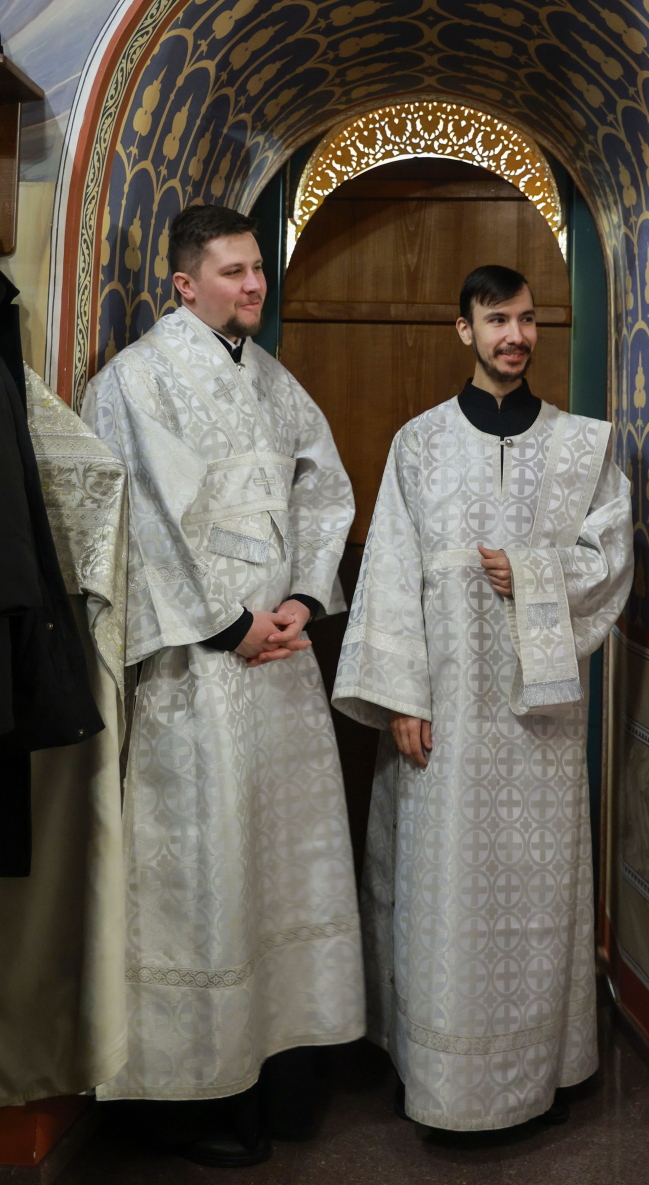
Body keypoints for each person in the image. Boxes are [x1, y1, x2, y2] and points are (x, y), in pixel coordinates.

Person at [82, 204, 365, 1166]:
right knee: (207, 873)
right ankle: (197, 1096)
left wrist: (300, 598)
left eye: (256, 269)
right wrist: (227, 623)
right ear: (184, 282)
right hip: (196, 672)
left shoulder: (275, 381)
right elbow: (142, 518)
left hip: (280, 662)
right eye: (235, 271)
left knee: (280, 866)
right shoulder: (136, 379)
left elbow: (324, 488)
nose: (254, 285)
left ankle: (283, 1070)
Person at [332, 264, 633, 1133]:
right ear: (463, 329)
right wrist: (401, 697)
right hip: (447, 713)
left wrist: (533, 571)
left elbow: (610, 559)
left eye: (527, 320)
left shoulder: (583, 447)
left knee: (539, 896)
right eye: (497, 320)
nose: (515, 336)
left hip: (541, 723)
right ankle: (438, 1074)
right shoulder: (419, 443)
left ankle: (544, 1066)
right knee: (441, 892)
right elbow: (389, 574)